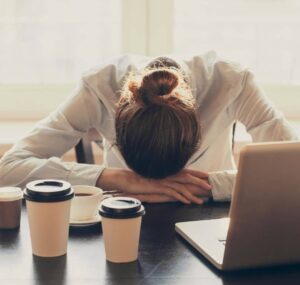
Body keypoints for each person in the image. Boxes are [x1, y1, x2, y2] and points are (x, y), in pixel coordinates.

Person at [0, 51, 298, 203]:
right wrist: (118, 178)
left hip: (211, 215)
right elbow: (8, 169)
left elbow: (293, 167)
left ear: (196, 128)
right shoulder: (99, 86)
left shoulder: (232, 81)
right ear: (119, 123)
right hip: (124, 211)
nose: (164, 184)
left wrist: (209, 186)